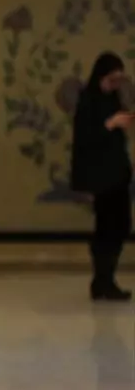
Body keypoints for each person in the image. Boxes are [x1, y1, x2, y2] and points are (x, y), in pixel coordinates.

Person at [71, 52, 134, 301]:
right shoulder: (88, 101)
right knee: (108, 228)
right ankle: (104, 281)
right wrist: (110, 124)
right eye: (112, 80)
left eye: (119, 80)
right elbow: (86, 138)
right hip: (101, 178)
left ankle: (104, 280)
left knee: (118, 226)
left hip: (117, 175)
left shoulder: (112, 99)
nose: (114, 85)